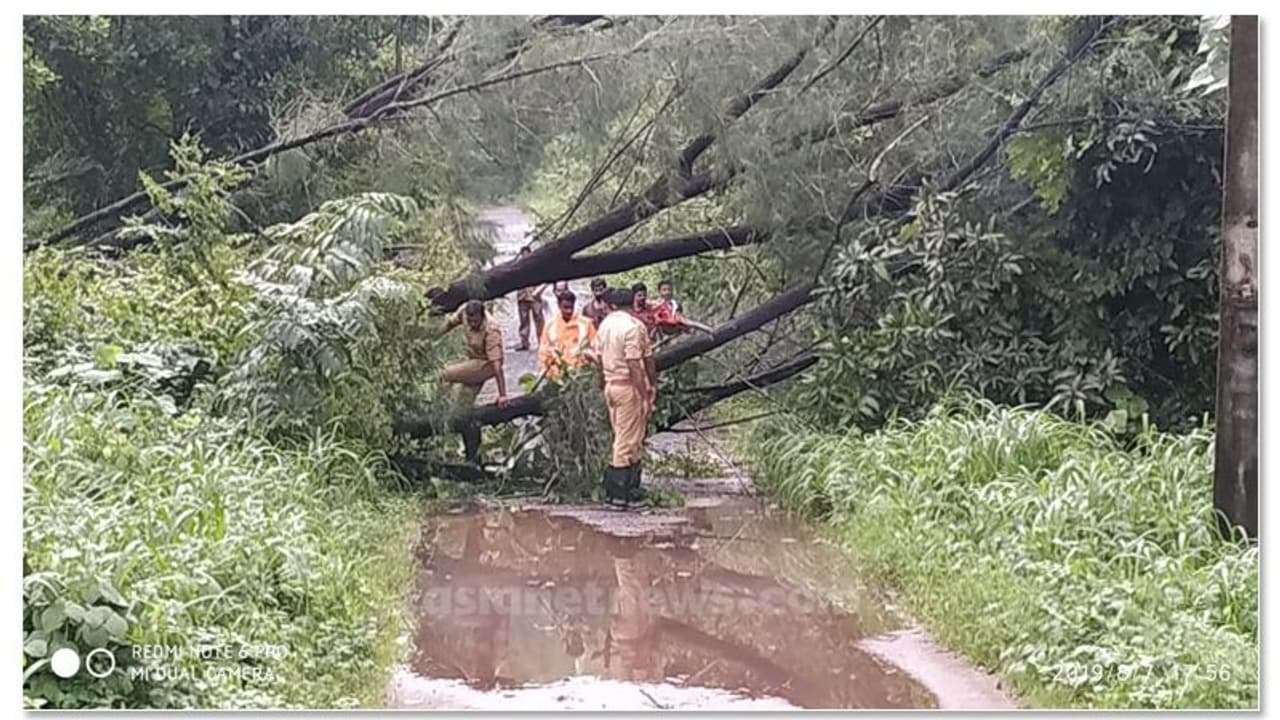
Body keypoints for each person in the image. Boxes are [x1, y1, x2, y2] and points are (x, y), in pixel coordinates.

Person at [593, 288, 655, 504]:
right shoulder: (633, 327)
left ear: (611, 306)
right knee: (626, 440)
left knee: (628, 435)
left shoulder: (604, 326)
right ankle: (618, 494)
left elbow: (598, 361)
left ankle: (629, 489)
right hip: (628, 387)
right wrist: (646, 392)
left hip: (611, 385)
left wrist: (602, 384)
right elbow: (637, 364)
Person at [440, 300, 509, 464]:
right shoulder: (464, 311)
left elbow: (497, 366)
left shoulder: (492, 330)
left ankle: (437, 413)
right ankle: (472, 456)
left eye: (475, 321)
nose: (471, 324)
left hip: (486, 365)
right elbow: (449, 323)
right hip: (473, 362)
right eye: (469, 321)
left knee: (444, 375)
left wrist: (503, 395)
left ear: (483, 316)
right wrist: (429, 338)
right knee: (463, 409)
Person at [537, 289, 597, 382]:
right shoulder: (550, 325)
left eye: (571, 307)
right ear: (558, 306)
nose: (569, 311)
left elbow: (595, 348)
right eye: (565, 307)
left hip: (581, 375)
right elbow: (543, 351)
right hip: (557, 377)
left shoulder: (586, 324)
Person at [514, 248, 546, 351]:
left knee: (539, 319)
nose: (525, 257)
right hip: (522, 297)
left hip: (534, 296)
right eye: (523, 255)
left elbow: (545, 280)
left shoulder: (537, 267)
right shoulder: (518, 268)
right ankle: (524, 342)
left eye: (527, 254)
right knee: (523, 320)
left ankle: (542, 341)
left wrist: (539, 291)